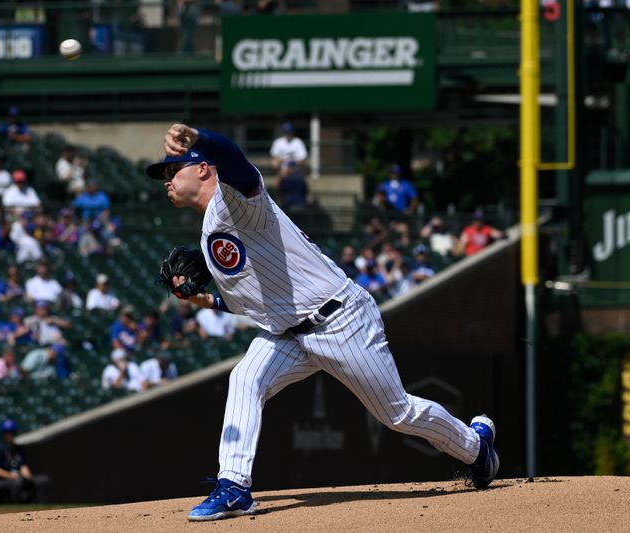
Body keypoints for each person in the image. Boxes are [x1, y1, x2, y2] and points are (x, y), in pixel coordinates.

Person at [144, 124, 499, 521]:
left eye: (173, 171)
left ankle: (475, 445)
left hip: (340, 320)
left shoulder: (236, 201)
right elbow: (263, 301)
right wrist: (205, 299)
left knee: (397, 414)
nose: (167, 181)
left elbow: (237, 162)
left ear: (204, 170)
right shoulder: (213, 228)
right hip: (290, 332)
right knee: (245, 380)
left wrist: (199, 138)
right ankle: (234, 488)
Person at [0, 419, 49, 503]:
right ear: (3, 434)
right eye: (7, 433)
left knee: (43, 480)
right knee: (17, 483)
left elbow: (23, 465)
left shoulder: (18, 448)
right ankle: (16, 510)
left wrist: (27, 475)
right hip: (5, 479)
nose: (10, 435)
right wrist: (11, 476)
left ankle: (40, 507)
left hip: (19, 477)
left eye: (12, 432)